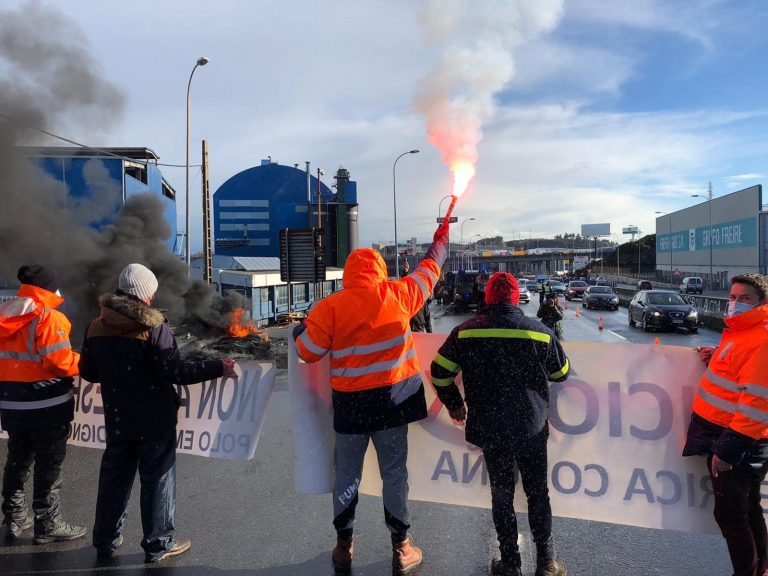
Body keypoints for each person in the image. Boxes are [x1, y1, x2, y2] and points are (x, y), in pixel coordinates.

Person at [294, 220, 449, 575]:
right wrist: (441, 239)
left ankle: (344, 546)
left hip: (350, 409)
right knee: (394, 475)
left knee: (346, 476)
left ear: (349, 273)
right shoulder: (400, 294)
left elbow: (307, 351)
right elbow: (430, 269)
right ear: (380, 270)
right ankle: (402, 546)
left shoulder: (331, 307)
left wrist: (303, 328)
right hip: (392, 406)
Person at [78, 263, 236, 563]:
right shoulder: (154, 326)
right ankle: (158, 544)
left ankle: (105, 541)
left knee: (114, 478)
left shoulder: (95, 326)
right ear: (145, 293)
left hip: (117, 417)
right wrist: (218, 367)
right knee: (157, 480)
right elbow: (174, 370)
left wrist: (116, 376)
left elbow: (87, 372)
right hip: (154, 419)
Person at [429, 272, 569, 576]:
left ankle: (509, 562)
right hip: (531, 426)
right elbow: (561, 373)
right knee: (537, 492)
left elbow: (439, 373)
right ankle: (547, 562)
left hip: (491, 427)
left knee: (502, 492)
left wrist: (455, 404)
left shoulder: (465, 332)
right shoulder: (540, 332)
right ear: (516, 298)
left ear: (487, 297)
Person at [683, 273, 768, 576]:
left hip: (738, 438)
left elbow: (758, 401)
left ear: (761, 303)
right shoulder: (741, 333)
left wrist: (729, 450)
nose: (735, 304)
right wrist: (714, 357)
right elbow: (738, 374)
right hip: (731, 433)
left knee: (732, 515)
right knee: (749, 507)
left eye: (744, 299)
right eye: (732, 298)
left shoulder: (761, 339)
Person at [0, 265, 86, 543]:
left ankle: (13, 519)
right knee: (49, 464)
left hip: (11, 403)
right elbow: (60, 363)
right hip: (47, 404)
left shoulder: (6, 312)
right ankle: (48, 523)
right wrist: (84, 362)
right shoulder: (50, 318)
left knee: (17, 460)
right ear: (50, 288)